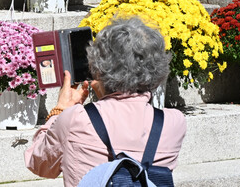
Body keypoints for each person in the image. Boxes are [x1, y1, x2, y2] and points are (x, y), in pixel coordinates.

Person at [24, 17, 186, 186]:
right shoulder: (173, 122)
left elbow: (38, 164)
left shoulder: (76, 119)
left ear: (99, 69)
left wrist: (60, 109)